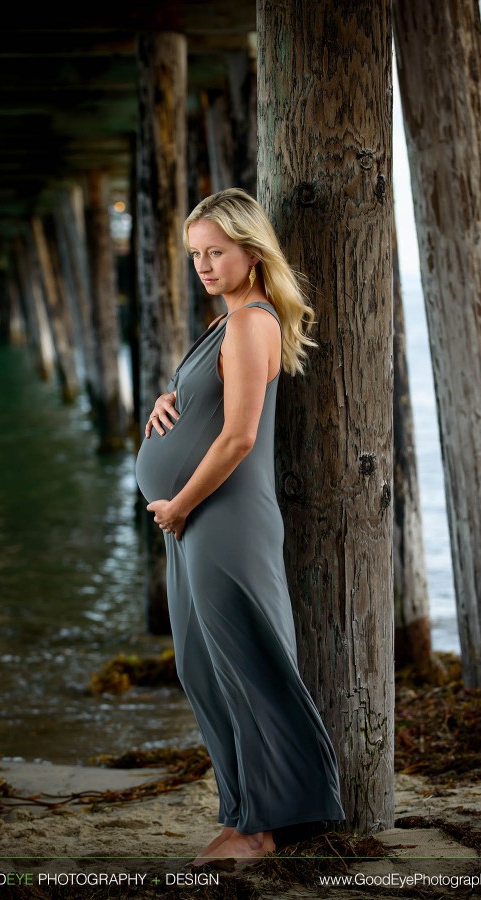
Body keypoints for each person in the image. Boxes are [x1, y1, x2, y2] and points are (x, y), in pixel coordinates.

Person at [135, 187, 345, 865]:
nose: (202, 264)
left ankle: (267, 825)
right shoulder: (222, 325)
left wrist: (179, 504)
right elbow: (208, 410)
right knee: (202, 667)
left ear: (251, 252)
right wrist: (169, 399)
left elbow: (239, 439)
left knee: (245, 664)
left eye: (215, 252)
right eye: (195, 254)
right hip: (193, 519)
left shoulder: (253, 321)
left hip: (219, 519)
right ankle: (240, 812)